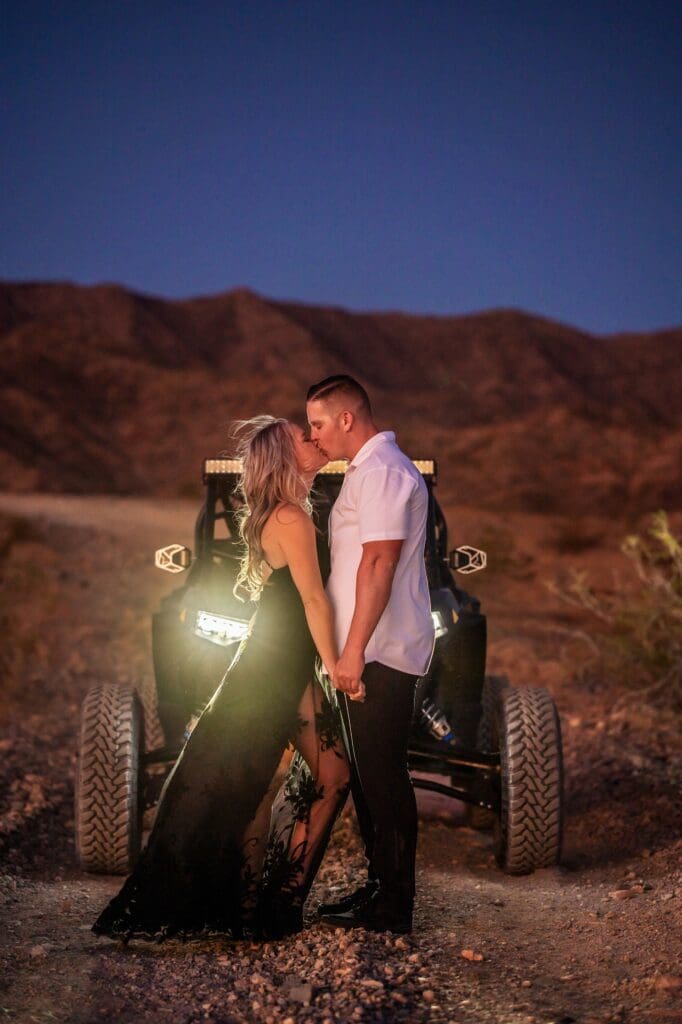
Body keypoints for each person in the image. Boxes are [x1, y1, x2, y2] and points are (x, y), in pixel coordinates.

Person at [92, 416, 354, 942]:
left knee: (296, 777)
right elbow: (310, 599)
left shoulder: (277, 515)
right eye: (303, 436)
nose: (313, 438)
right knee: (266, 782)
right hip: (269, 672)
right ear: (286, 457)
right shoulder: (288, 518)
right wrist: (336, 664)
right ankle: (263, 906)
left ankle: (269, 902)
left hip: (276, 666)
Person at [306, 376, 434, 934]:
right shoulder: (369, 470)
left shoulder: (382, 471)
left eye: (317, 424)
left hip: (379, 650)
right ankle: (380, 891)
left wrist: (352, 652)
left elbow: (379, 564)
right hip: (368, 649)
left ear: (347, 419)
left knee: (383, 776)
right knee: (368, 777)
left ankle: (393, 906)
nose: (314, 436)